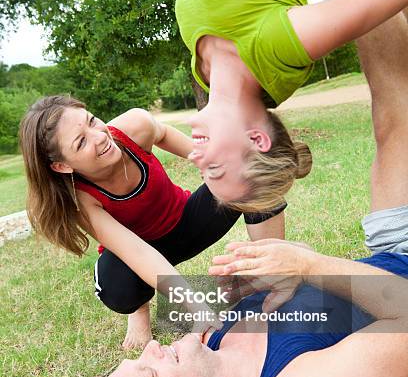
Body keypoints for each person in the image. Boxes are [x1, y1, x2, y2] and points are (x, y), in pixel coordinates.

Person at [86, 0, 408, 377]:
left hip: (391, 252)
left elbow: (314, 303)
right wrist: (308, 265)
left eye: (142, 358)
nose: (153, 350)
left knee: (394, 116)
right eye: (152, 374)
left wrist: (257, 284)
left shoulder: (210, 340)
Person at [178, 0, 408, 213]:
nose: (194, 158)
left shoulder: (204, 69)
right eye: (214, 169)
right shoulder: (276, 50)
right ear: (257, 140)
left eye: (203, 173)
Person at [19, 96, 285, 350]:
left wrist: (212, 164)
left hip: (184, 222)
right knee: (118, 291)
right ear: (62, 166)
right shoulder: (81, 201)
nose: (100, 137)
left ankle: (273, 273)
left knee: (248, 170)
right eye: (80, 143)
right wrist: (198, 308)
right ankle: (139, 309)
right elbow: (137, 252)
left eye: (91, 120)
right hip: (136, 253)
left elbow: (165, 134)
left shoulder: (134, 126)